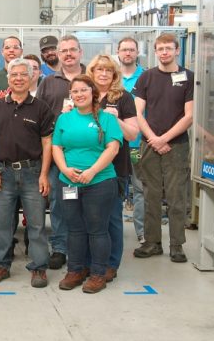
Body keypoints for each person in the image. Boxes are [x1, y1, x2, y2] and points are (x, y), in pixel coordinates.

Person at [0, 58, 54, 288]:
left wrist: (44, 174)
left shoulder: (41, 107)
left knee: (36, 223)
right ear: (8, 78)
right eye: (14, 75)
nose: (19, 79)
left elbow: (47, 143)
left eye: (24, 74)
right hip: (3, 173)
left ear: (33, 76)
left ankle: (39, 268)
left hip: (33, 172)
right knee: (2, 223)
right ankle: (0, 265)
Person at [53, 75, 122, 293]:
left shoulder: (107, 119)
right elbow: (56, 147)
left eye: (83, 90)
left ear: (93, 93)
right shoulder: (64, 119)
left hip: (99, 182)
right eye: (75, 91)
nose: (79, 95)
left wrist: (92, 171)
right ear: (70, 96)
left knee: (97, 229)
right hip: (70, 182)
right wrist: (65, 170)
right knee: (74, 228)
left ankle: (97, 274)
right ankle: (76, 270)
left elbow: (113, 148)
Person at [133, 33, 194, 263]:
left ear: (177, 50)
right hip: (149, 144)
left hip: (176, 145)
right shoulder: (146, 77)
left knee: (177, 196)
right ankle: (152, 242)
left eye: (169, 48)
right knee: (151, 194)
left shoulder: (188, 78)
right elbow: (137, 113)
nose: (165, 52)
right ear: (155, 51)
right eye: (160, 49)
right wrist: (153, 139)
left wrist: (164, 139)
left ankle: (177, 244)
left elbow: (188, 117)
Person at [87, 54, 139, 282]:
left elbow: (133, 134)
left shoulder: (124, 98)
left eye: (108, 70)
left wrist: (115, 119)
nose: (103, 74)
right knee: (88, 217)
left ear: (115, 74)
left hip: (115, 168)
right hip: (87, 166)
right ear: (92, 72)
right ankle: (92, 261)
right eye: (99, 69)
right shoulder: (84, 95)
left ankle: (111, 263)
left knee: (112, 218)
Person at [36, 34, 85, 270]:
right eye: (63, 50)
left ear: (80, 52)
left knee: (86, 201)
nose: (68, 54)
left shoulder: (91, 78)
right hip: (58, 153)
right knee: (59, 201)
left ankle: (82, 246)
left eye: (72, 50)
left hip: (87, 153)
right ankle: (60, 247)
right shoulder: (49, 82)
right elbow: (41, 117)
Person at [117, 37, 146, 243]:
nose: (128, 53)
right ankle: (114, 230)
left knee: (140, 189)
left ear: (137, 53)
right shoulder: (111, 77)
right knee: (113, 190)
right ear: (118, 52)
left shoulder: (146, 77)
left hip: (139, 143)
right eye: (124, 50)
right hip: (112, 145)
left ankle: (142, 232)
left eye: (131, 50)